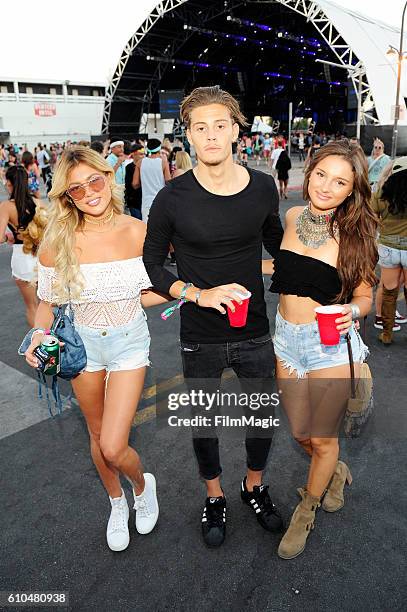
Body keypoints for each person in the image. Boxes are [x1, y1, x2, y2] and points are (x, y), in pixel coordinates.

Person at [143, 85, 284, 548]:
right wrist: (197, 294)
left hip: (256, 329)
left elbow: (276, 247)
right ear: (187, 136)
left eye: (219, 125)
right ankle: (214, 494)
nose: (210, 135)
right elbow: (152, 263)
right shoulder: (172, 197)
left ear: (236, 130)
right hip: (198, 334)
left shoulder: (263, 187)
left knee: (261, 418)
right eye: (199, 127)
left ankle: (253, 486)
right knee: (203, 420)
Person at [23, 146, 170, 552]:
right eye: (76, 188)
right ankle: (116, 502)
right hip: (82, 349)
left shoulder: (138, 231)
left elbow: (149, 293)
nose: (89, 192)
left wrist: (188, 293)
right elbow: (46, 306)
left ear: (109, 177)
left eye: (95, 180)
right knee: (95, 433)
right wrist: (38, 336)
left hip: (129, 345)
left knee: (113, 444)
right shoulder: (58, 240)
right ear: (66, 196)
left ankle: (142, 487)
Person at [263, 139, 378, 559]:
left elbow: (366, 296)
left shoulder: (355, 236)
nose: (327, 187)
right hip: (287, 342)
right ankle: (334, 470)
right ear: (309, 172)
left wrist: (353, 308)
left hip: (328, 346)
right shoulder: (292, 216)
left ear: (352, 190)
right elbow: (287, 270)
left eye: (340, 182)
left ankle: (305, 512)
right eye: (321, 174)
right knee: (300, 433)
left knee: (323, 439)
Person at [0, 166, 46, 325]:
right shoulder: (38, 202)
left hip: (23, 257)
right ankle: (50, 341)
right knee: (45, 305)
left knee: (32, 307)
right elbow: (49, 228)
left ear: (11, 183)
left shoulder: (6, 206)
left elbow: (0, 238)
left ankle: (40, 344)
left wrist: (8, 236)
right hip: (42, 256)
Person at [370, 156, 407, 344]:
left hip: (388, 247)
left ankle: (387, 333)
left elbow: (372, 216)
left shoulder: (382, 193)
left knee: (389, 291)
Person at [132, 138, 171, 221]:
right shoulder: (163, 163)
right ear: (159, 149)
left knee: (147, 228)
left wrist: (145, 182)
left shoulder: (140, 162)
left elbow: (135, 184)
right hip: (161, 201)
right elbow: (169, 182)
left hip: (146, 202)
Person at [125, 144, 144, 219]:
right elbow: (129, 185)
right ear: (133, 154)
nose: (143, 156)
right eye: (141, 154)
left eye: (144, 154)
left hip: (145, 200)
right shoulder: (129, 167)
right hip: (134, 202)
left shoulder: (145, 166)